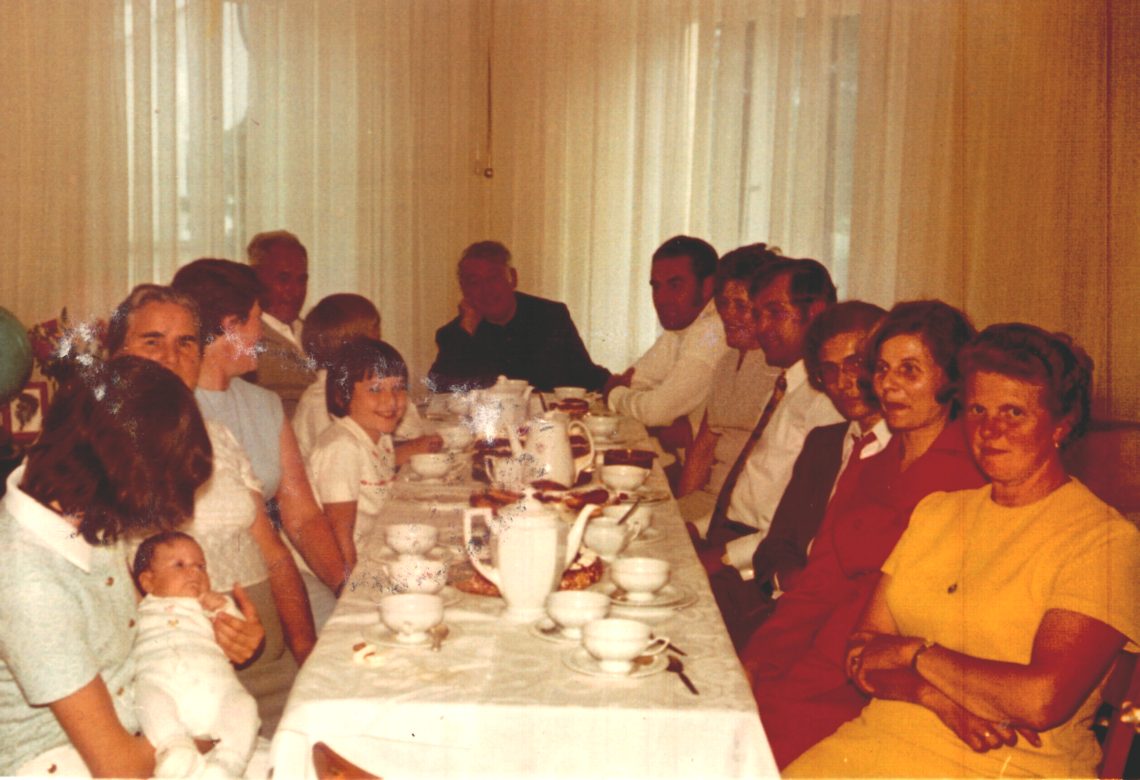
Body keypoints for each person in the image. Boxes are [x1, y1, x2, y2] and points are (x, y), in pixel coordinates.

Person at [787, 323, 1140, 778]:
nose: (990, 430)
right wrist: (934, 697)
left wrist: (915, 654)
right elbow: (860, 654)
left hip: (1004, 763)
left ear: (1061, 425)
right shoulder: (937, 511)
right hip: (881, 739)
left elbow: (1040, 700)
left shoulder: (1102, 540)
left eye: (1013, 412)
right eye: (977, 409)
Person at [744, 299, 985, 768]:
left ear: (950, 377)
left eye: (910, 370)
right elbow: (818, 581)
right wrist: (759, 658)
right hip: (821, 658)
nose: (887, 385)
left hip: (882, 678)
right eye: (882, 369)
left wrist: (798, 679)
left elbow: (925, 614)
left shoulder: (970, 476)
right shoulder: (870, 461)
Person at [0, 356, 263, 777]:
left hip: (142, 727)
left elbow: (134, 623)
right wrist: (208, 737)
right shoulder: (30, 582)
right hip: (64, 763)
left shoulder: (74, 506)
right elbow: (118, 767)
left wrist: (218, 633)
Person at [108, 283, 317, 735]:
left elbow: (274, 554)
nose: (172, 357)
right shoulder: (103, 448)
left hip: (270, 663)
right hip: (180, 686)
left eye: (186, 342)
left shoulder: (217, 437)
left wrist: (307, 655)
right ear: (117, 354)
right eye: (152, 341)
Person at [709, 300, 890, 649]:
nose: (843, 383)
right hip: (784, 597)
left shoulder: (902, 453)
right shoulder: (824, 443)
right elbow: (777, 543)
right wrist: (787, 579)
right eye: (829, 371)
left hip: (840, 619)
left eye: (855, 364)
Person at [171, 259, 348, 600]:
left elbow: (303, 517)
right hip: (201, 586)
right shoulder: (172, 408)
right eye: (256, 319)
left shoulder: (264, 404)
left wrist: (345, 586)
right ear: (230, 326)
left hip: (274, 571)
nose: (262, 334)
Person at [696, 258, 843, 573]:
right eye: (758, 314)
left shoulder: (828, 403)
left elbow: (801, 524)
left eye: (775, 313)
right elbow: (747, 496)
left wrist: (723, 557)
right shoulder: (786, 386)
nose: (761, 328)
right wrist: (697, 528)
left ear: (815, 312)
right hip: (729, 536)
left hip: (758, 561)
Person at [131, 531, 260, 779]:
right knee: (147, 697)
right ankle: (175, 748)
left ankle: (227, 765)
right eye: (179, 565)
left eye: (201, 566)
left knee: (244, 705)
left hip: (217, 688)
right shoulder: (137, 612)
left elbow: (238, 633)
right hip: (160, 682)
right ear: (148, 582)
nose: (194, 572)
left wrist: (224, 608)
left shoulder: (210, 607)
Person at [676, 243, 782, 521]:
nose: (729, 315)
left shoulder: (778, 368)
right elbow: (703, 449)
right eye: (723, 303)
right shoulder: (726, 362)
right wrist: (680, 510)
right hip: (707, 501)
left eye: (741, 306)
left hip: (740, 512)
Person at [604, 236, 729, 459]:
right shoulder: (681, 326)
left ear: (707, 286)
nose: (661, 298)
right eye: (656, 287)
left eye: (675, 285)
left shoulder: (712, 331)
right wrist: (657, 411)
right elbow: (636, 380)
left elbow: (655, 412)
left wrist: (614, 394)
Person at [427, 241, 610, 392]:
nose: (485, 290)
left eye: (493, 278)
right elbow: (438, 387)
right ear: (464, 289)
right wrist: (467, 329)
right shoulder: (455, 334)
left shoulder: (550, 316)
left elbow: (584, 374)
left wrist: (614, 385)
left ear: (512, 278)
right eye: (474, 282)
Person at [293, 293, 439, 464]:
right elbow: (352, 461)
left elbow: (406, 431)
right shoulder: (320, 400)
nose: (381, 342)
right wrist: (409, 450)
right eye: (376, 335)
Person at [309, 338, 408, 572]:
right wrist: (355, 587)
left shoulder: (380, 435)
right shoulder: (342, 448)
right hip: (334, 568)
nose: (391, 400)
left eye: (398, 387)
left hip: (368, 550)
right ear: (342, 396)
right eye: (375, 389)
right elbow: (339, 535)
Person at [246, 230, 317, 418]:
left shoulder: (316, 331)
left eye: (302, 280)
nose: (295, 290)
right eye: (283, 279)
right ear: (256, 278)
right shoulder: (248, 342)